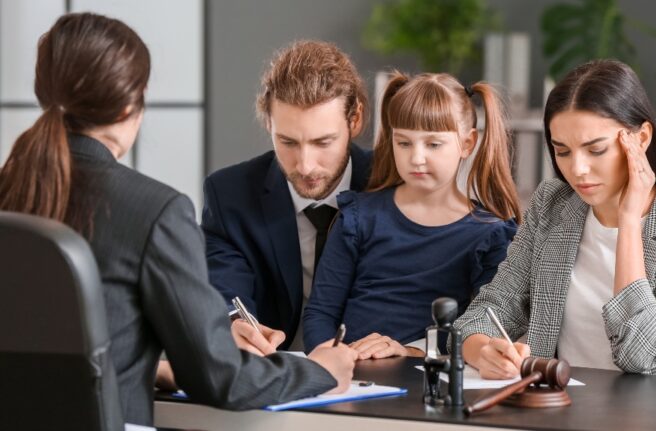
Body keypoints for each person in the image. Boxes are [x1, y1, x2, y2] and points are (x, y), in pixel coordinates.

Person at [0, 13, 357, 426]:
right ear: (135, 100)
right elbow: (222, 379)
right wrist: (322, 372)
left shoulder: (12, 189)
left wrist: (149, 369)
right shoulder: (153, 210)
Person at [455, 59, 656, 386]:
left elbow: (642, 354)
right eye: (562, 151)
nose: (577, 169)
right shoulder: (553, 204)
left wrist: (629, 221)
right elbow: (485, 313)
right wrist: (483, 352)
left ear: (641, 138)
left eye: (596, 150)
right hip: (562, 409)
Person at [303, 72, 521, 359]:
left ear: (467, 144)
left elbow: (482, 328)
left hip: (427, 378)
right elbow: (320, 314)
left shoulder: (490, 233)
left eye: (433, 144)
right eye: (404, 143)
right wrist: (330, 363)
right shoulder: (358, 217)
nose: (416, 158)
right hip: (350, 376)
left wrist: (409, 352)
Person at [202, 40, 373, 353]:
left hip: (375, 376)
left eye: (323, 142)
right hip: (277, 374)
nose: (305, 166)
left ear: (355, 120)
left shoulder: (390, 186)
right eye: (288, 142)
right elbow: (223, 287)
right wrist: (231, 323)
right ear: (269, 123)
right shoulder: (230, 195)